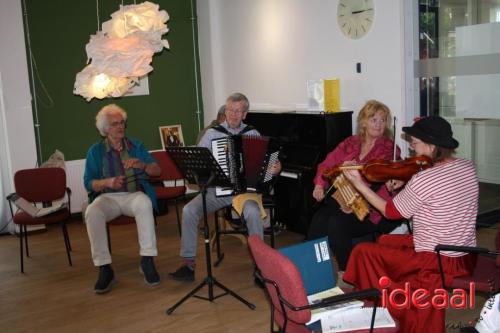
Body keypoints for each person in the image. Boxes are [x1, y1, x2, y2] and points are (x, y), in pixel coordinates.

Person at [342, 116, 478, 332]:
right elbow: (437, 191)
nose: (413, 150)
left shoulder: (424, 179)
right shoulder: (467, 167)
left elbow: (391, 212)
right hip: (466, 254)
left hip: (438, 260)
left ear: (432, 146)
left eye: (415, 144)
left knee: (363, 251)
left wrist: (359, 185)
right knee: (386, 240)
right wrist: (406, 182)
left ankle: (381, 305)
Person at [168, 92, 281, 282]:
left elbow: (266, 166)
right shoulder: (212, 134)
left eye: (238, 111)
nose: (234, 114)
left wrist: (275, 168)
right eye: (230, 110)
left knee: (253, 213)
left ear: (245, 114)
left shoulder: (252, 134)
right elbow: (198, 161)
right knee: (189, 210)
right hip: (217, 192)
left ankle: (261, 267)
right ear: (225, 111)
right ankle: (188, 264)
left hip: (244, 193)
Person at [307, 100, 402, 278]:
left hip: (370, 207)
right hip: (343, 195)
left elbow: (384, 187)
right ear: (364, 122)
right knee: (320, 218)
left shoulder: (390, 149)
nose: (379, 124)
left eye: (383, 120)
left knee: (336, 222)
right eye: (374, 119)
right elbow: (327, 164)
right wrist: (319, 184)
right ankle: (314, 267)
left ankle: (349, 272)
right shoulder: (351, 142)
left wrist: (358, 202)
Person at [83, 104, 162, 294]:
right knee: (92, 211)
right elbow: (89, 182)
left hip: (133, 195)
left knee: (145, 203)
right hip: (108, 198)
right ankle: (104, 268)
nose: (120, 127)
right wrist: (107, 182)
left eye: (122, 123)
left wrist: (142, 165)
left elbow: (157, 171)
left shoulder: (136, 146)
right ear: (105, 129)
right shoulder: (95, 151)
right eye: (114, 124)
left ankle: (147, 260)